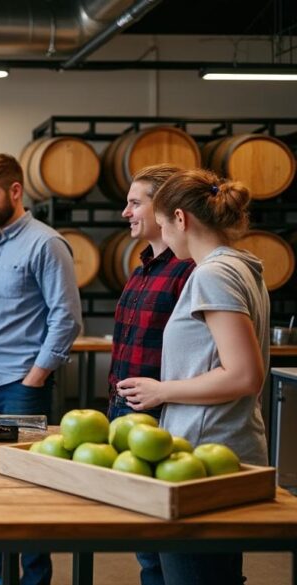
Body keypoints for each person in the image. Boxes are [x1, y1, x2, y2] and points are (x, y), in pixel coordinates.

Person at [117, 170, 268, 585]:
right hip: (219, 446)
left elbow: (244, 376)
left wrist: (161, 390)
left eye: (164, 225)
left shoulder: (211, 274)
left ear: (180, 220)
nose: (164, 234)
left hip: (206, 452)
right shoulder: (241, 266)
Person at [0, 154, 82, 585]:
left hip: (21, 386)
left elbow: (66, 317)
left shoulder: (46, 243)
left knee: (27, 489)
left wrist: (37, 375)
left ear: (15, 191)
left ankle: (33, 580)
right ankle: (1, 577)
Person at [106, 165, 195, 585]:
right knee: (145, 540)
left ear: (165, 209)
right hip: (125, 412)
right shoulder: (143, 267)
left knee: (171, 542)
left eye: (135, 202)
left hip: (162, 417)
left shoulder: (189, 270)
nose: (126, 212)